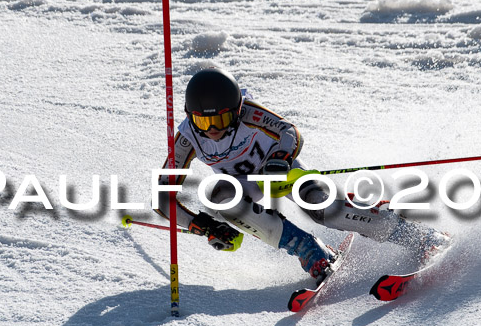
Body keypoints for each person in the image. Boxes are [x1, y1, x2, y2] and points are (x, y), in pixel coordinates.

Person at [156, 67, 450, 283]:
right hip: (244, 189)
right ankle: (310, 250)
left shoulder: (250, 114)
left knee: (323, 210)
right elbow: (162, 196)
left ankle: (418, 236)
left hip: (281, 173)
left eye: (219, 119)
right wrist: (201, 225)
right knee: (218, 198)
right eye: (201, 120)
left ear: (236, 110)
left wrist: (280, 158)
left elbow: (289, 131)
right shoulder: (187, 138)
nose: (211, 129)